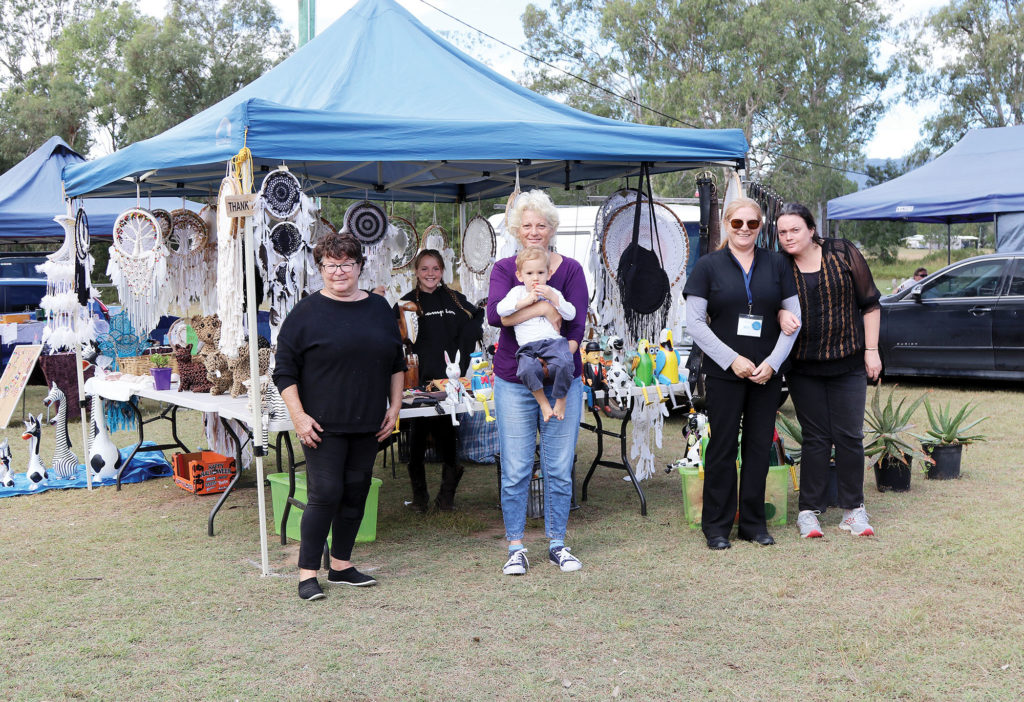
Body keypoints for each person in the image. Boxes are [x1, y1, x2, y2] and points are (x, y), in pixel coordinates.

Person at [274, 232, 405, 601]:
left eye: (347, 264)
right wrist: (298, 416)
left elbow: (396, 363)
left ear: (360, 267)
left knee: (355, 492)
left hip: (368, 422)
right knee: (325, 493)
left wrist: (394, 409)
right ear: (320, 269)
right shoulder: (305, 314)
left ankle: (343, 566)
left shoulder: (380, 308)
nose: (339, 272)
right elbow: (283, 371)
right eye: (331, 265)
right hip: (321, 425)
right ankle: (307, 574)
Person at [682, 197, 800, 550]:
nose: (745, 229)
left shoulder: (777, 264)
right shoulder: (707, 266)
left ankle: (753, 523)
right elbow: (695, 324)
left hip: (766, 373)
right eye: (737, 224)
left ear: (760, 227)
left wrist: (773, 364)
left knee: (759, 447)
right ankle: (716, 527)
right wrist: (731, 359)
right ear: (727, 225)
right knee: (720, 448)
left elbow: (793, 321)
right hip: (724, 372)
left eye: (752, 224)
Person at [486, 189, 588, 575]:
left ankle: (557, 543)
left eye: (541, 225)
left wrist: (563, 351)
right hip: (515, 379)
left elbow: (577, 322)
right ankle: (515, 545)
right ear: (516, 229)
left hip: (563, 376)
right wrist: (545, 307)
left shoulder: (572, 270)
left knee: (559, 467)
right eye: (527, 225)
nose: (534, 231)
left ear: (551, 228)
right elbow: (498, 319)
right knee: (515, 468)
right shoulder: (504, 269)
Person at [776, 202, 881, 539]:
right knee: (816, 438)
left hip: (848, 362)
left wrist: (872, 350)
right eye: (782, 232)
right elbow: (768, 304)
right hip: (803, 367)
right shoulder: (780, 266)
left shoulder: (842, 253)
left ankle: (854, 511)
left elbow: (870, 303)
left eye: (795, 230)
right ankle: (809, 512)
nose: (788, 237)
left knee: (850, 435)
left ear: (811, 229)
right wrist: (780, 314)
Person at [398, 249, 483, 512]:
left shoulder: (456, 300)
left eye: (435, 269)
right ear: (416, 272)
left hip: (448, 385)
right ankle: (420, 499)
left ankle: (446, 498)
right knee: (416, 442)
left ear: (442, 271)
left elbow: (477, 317)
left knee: (448, 438)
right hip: (418, 385)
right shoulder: (406, 303)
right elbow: (396, 336)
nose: (430, 274)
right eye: (424, 269)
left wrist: (463, 355)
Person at [495, 246, 577, 422]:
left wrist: (554, 299)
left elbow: (571, 314)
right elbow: (500, 310)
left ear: (549, 274)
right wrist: (525, 302)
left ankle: (561, 399)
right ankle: (544, 403)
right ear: (520, 276)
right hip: (528, 346)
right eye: (530, 273)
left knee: (564, 363)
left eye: (540, 272)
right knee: (526, 369)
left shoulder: (553, 292)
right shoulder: (517, 293)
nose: (535, 278)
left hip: (552, 342)